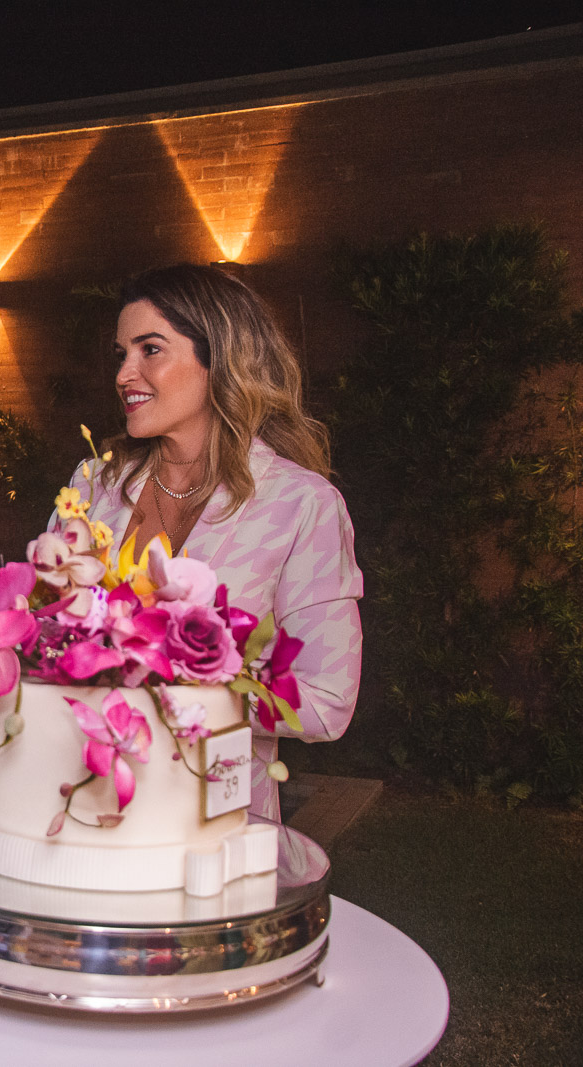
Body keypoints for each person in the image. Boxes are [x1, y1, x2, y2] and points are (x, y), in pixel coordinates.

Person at [72, 262, 363, 823]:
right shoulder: (93, 486)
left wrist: (183, 689)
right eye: (120, 354)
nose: (125, 373)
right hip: (83, 803)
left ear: (219, 358)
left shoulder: (300, 505)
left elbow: (328, 701)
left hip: (217, 826)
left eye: (150, 349)